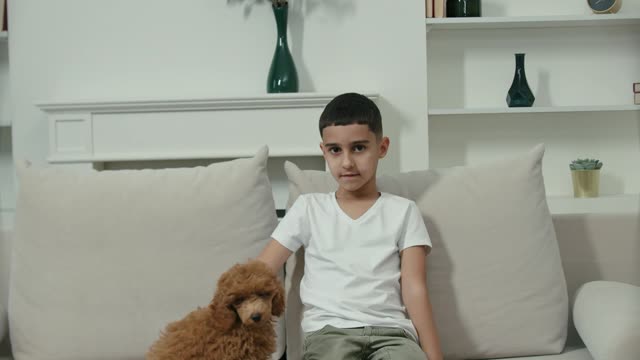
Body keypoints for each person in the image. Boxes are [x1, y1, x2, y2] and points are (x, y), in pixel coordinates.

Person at [257, 92, 443, 360]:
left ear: (382, 147)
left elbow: (415, 288)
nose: (347, 162)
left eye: (359, 148)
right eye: (335, 150)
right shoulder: (309, 208)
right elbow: (262, 269)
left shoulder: (404, 211)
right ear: (324, 151)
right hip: (329, 336)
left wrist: (435, 357)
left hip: (393, 336)